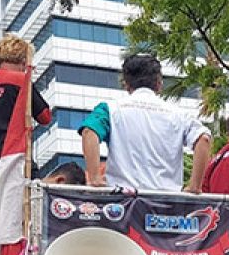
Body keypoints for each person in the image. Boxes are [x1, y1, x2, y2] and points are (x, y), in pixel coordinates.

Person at [79, 53, 212, 192]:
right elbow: (203, 139)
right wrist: (194, 187)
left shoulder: (110, 109)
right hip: (167, 203)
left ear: (126, 84)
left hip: (124, 202)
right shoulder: (179, 114)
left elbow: (89, 132)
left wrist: (94, 178)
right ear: (159, 83)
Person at [0, 34, 53, 192]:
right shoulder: (20, 81)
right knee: (33, 205)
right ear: (24, 59)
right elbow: (45, 116)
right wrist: (28, 79)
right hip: (15, 159)